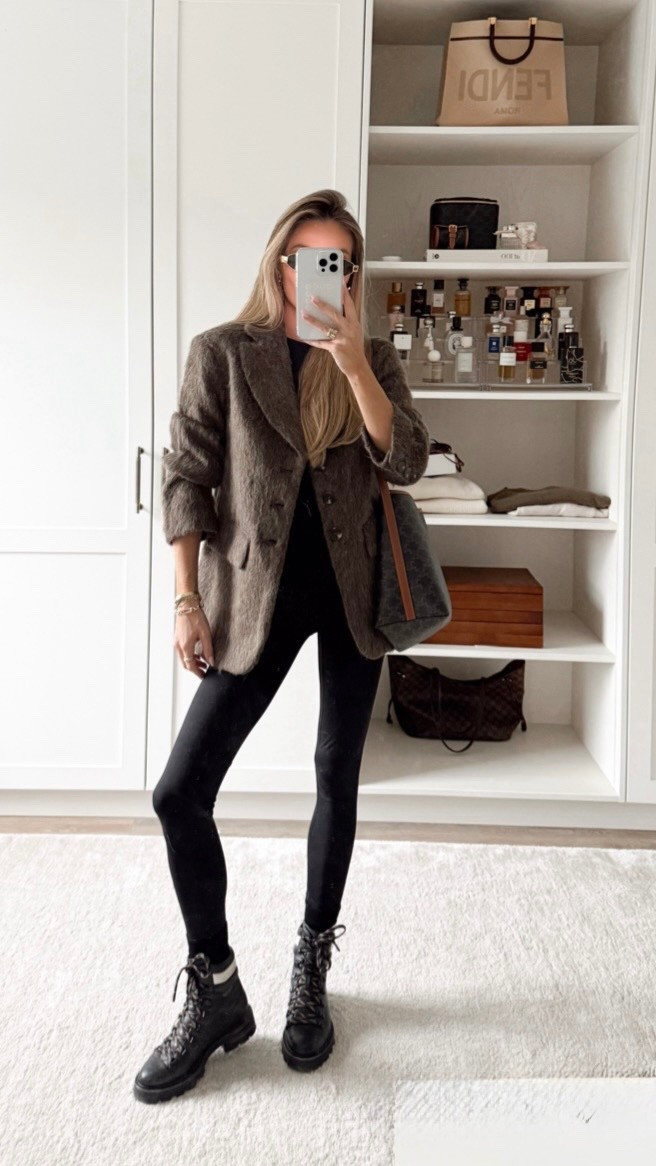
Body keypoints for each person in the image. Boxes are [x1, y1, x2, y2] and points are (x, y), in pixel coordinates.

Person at [133, 189, 430, 1103]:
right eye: (306, 258)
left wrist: (356, 366)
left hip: (353, 594)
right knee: (179, 791)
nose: (318, 276)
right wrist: (186, 598)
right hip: (252, 599)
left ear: (353, 274)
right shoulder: (223, 353)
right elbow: (186, 478)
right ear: (280, 264)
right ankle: (217, 988)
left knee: (336, 773)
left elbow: (408, 460)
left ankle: (312, 960)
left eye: (337, 261)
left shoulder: (370, 354)